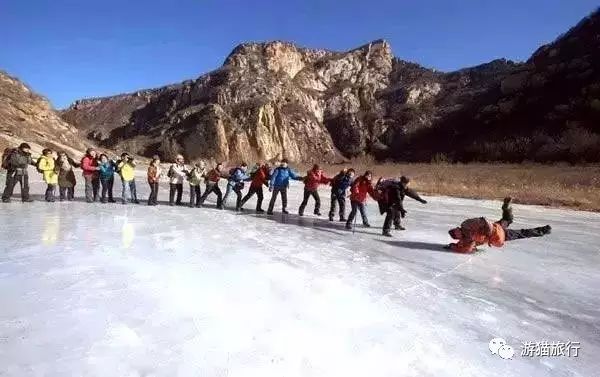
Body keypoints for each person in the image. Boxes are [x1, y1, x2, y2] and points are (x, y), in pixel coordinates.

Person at [445, 197, 552, 253]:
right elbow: (466, 249)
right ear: (458, 236)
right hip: (497, 231)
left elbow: (483, 220)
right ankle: (506, 208)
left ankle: (543, 230)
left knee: (519, 231)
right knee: (510, 222)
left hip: (496, 231)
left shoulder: (466, 226)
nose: (457, 232)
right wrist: (453, 246)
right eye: (456, 234)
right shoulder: (467, 239)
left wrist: (488, 231)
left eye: (455, 231)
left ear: (457, 229)